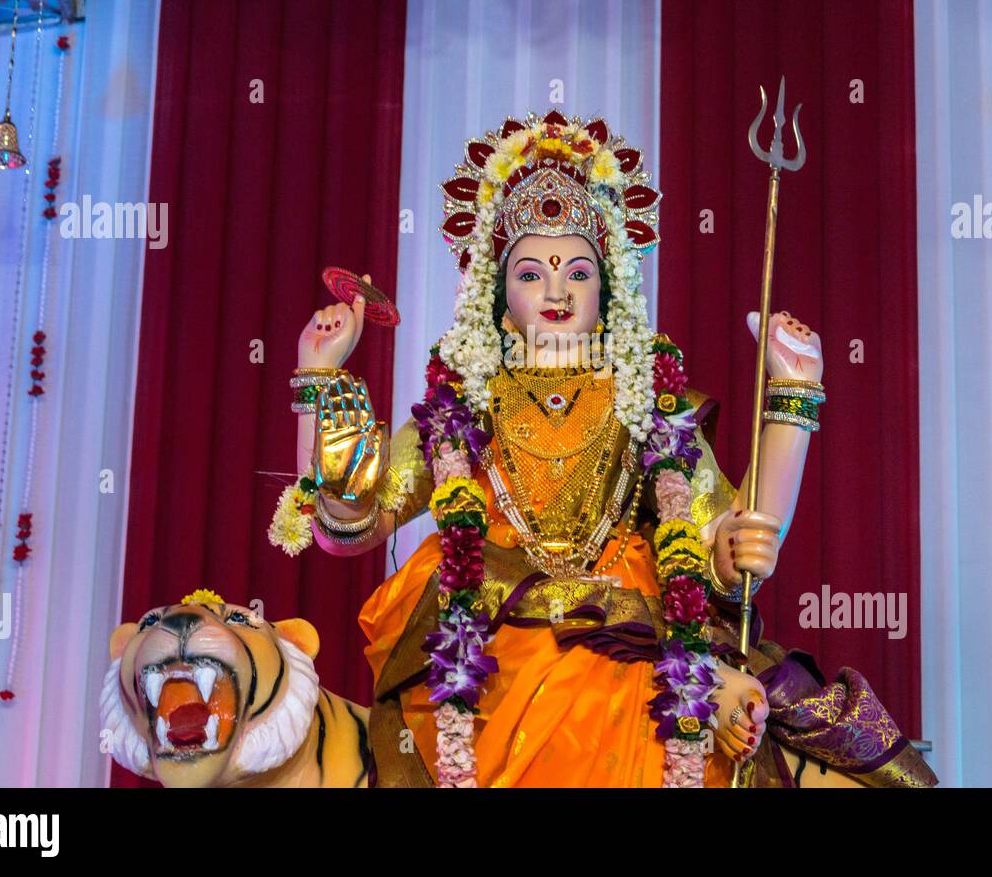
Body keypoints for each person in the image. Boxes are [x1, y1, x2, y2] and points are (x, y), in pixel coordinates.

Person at [273, 111, 937, 788]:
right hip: (488, 629)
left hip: (632, 621)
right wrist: (319, 385)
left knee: (657, 707)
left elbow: (726, 548)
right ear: (500, 297)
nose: (556, 291)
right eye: (531, 273)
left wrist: (792, 399)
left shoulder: (645, 400)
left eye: (578, 272)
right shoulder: (465, 404)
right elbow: (349, 528)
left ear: (608, 289)